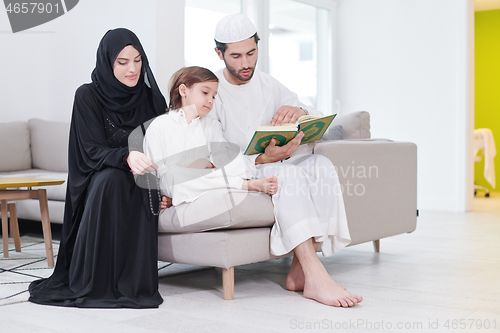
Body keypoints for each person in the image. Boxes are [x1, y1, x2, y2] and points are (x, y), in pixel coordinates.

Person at [208, 13, 364, 307]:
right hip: (247, 171)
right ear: (219, 53)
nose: (245, 63)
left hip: (276, 163)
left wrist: (299, 111)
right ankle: (316, 276)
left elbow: (311, 112)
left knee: (322, 166)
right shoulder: (210, 91)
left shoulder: (269, 84)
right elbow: (218, 156)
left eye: (251, 53)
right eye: (236, 56)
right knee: (286, 176)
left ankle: (298, 273)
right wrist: (263, 157)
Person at [28, 28, 168, 308]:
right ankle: (96, 281)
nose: (132, 69)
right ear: (107, 62)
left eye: (138, 60)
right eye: (122, 62)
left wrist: (167, 187)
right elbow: (92, 150)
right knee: (110, 179)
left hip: (144, 180)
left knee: (132, 180)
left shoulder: (153, 99)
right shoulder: (87, 96)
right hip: (100, 176)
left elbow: (164, 150)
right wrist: (127, 156)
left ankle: (131, 282)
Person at [143, 66, 278, 218]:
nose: (210, 100)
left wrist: (209, 165)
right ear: (183, 91)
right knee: (175, 176)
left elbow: (227, 159)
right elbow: (156, 173)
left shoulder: (211, 124)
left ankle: (189, 194)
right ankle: (244, 185)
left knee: (237, 162)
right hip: (175, 181)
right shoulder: (159, 125)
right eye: (205, 92)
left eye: (214, 96)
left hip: (204, 177)